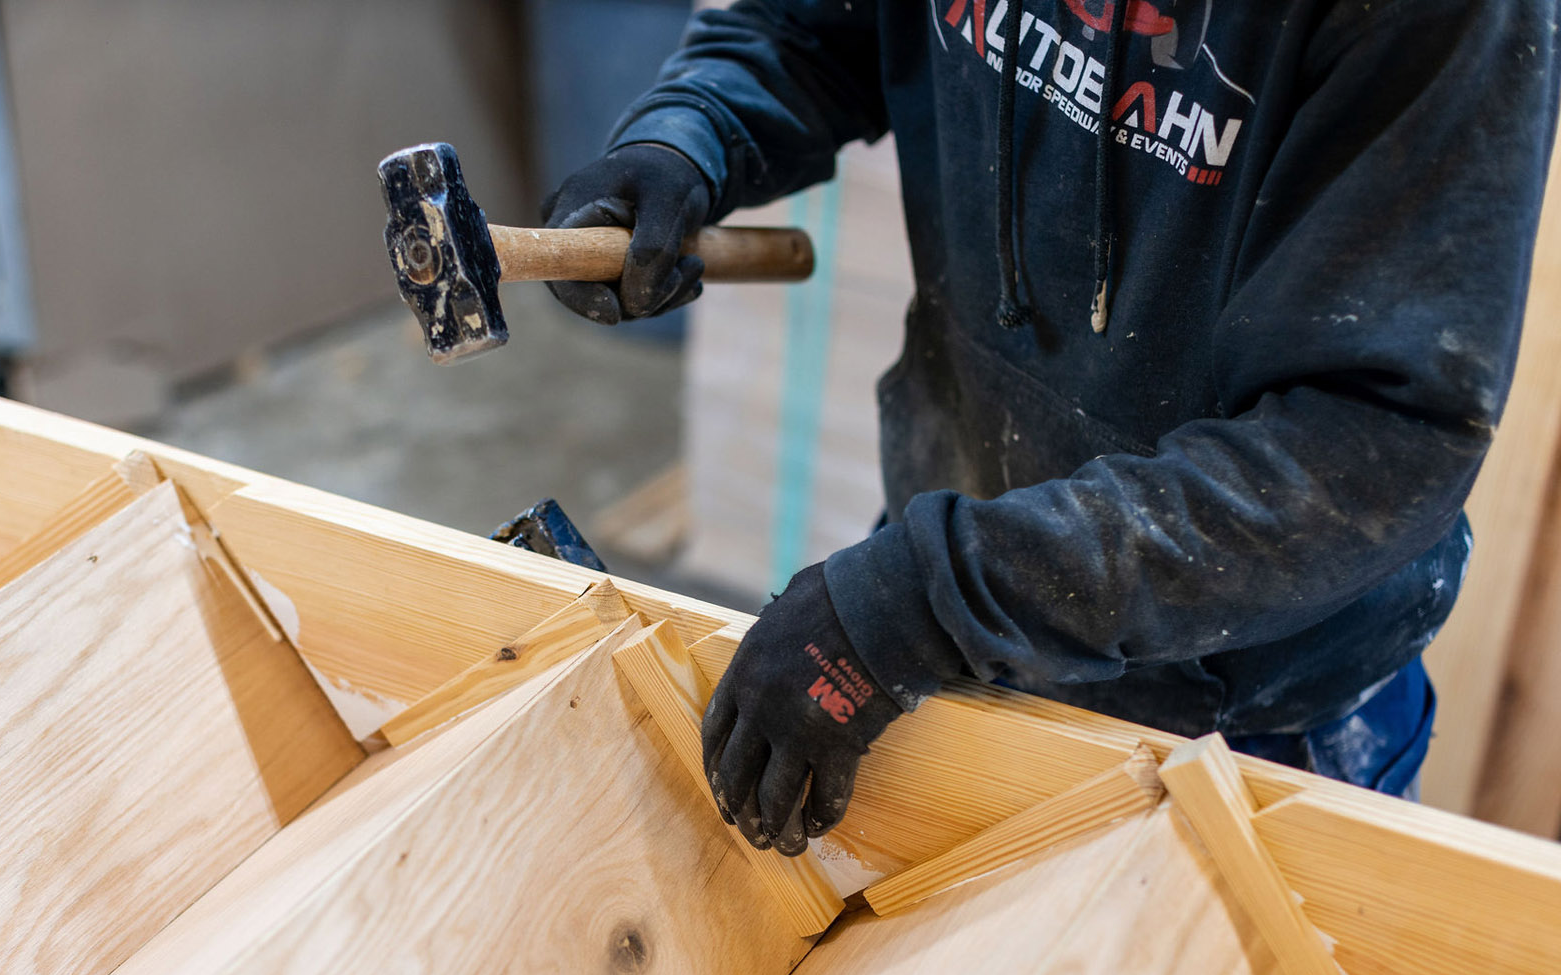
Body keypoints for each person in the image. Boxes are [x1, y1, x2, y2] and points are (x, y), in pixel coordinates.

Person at [540, 0, 1558, 856]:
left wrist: (928, 596)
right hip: (959, 615)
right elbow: (817, 23)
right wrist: (689, 134)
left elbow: (1367, 449)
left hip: (1250, 713)